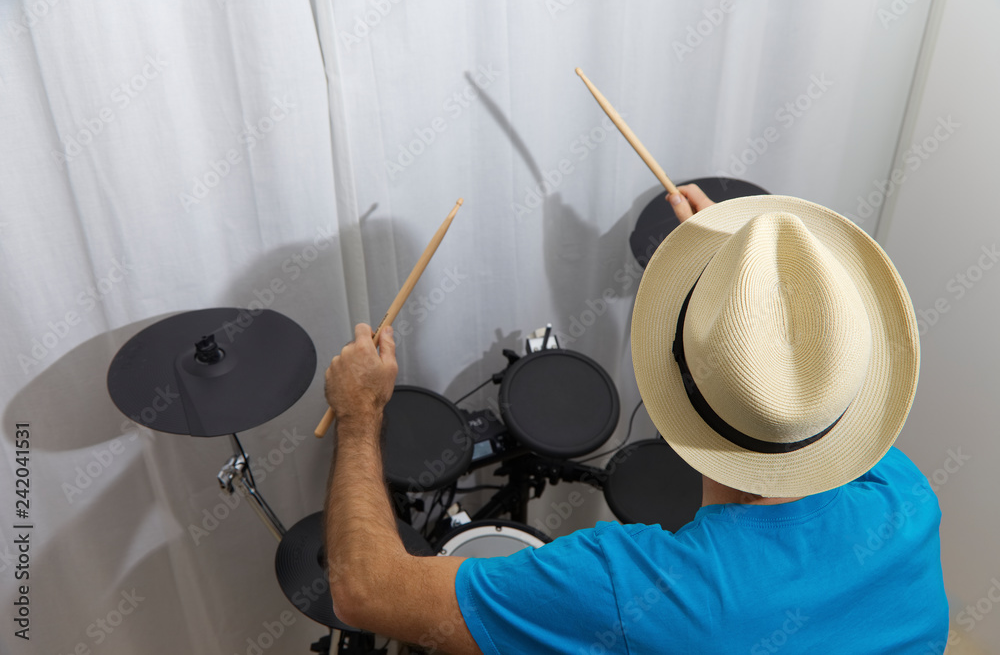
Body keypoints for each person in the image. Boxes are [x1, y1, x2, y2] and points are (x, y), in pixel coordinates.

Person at [322, 185, 948, 654]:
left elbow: (364, 590)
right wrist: (746, 292)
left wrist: (359, 413)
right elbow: (793, 391)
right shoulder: (907, 497)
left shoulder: (631, 589)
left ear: (671, 376)